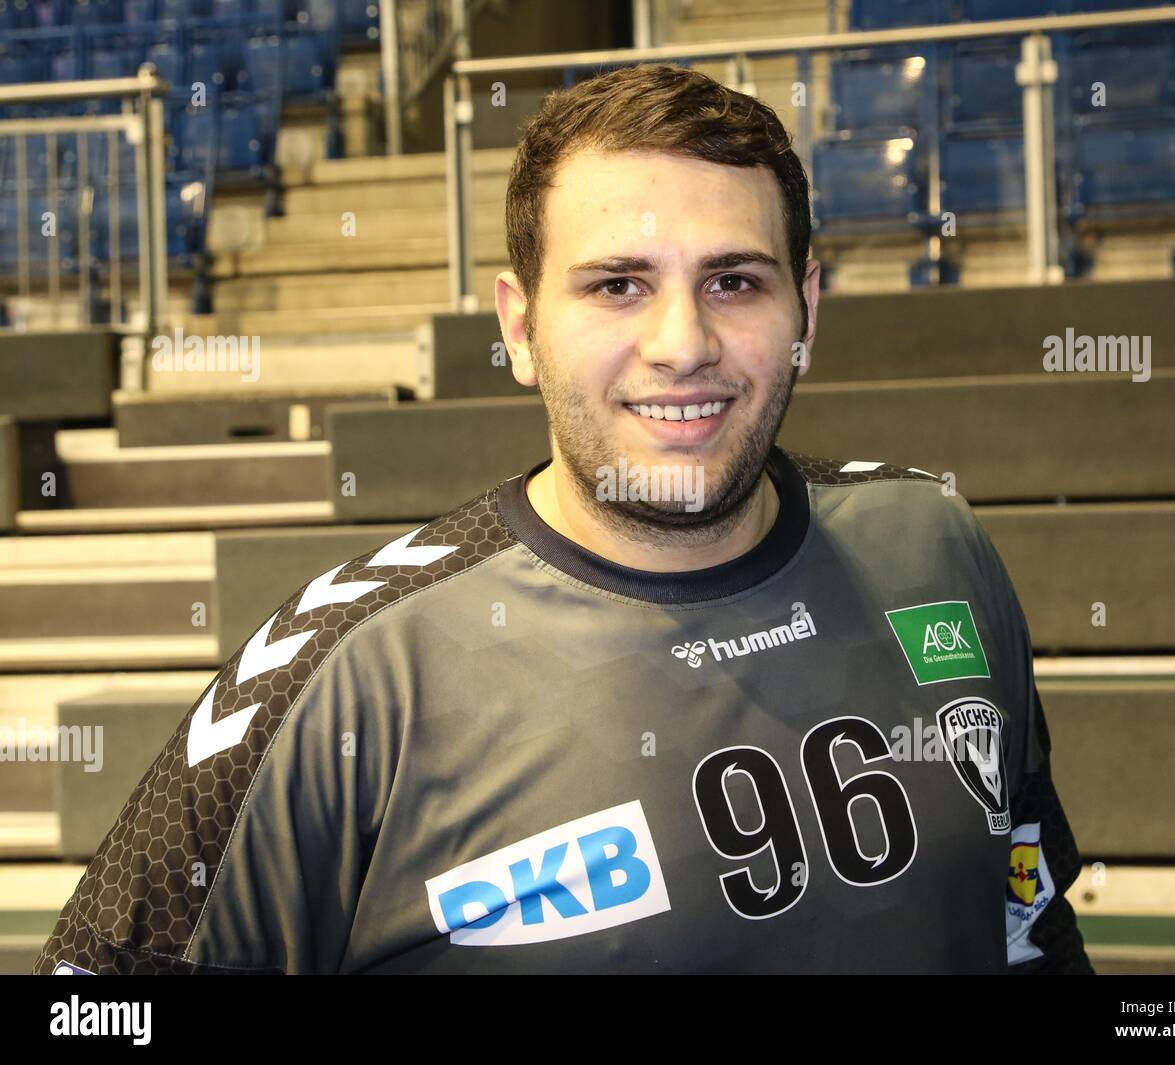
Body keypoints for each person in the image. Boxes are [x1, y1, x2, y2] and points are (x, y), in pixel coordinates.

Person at [35, 63, 1091, 974]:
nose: (683, 344)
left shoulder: (931, 543)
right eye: (617, 286)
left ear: (804, 308)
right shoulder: (343, 680)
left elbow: (1028, 925)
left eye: (733, 280)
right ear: (519, 325)